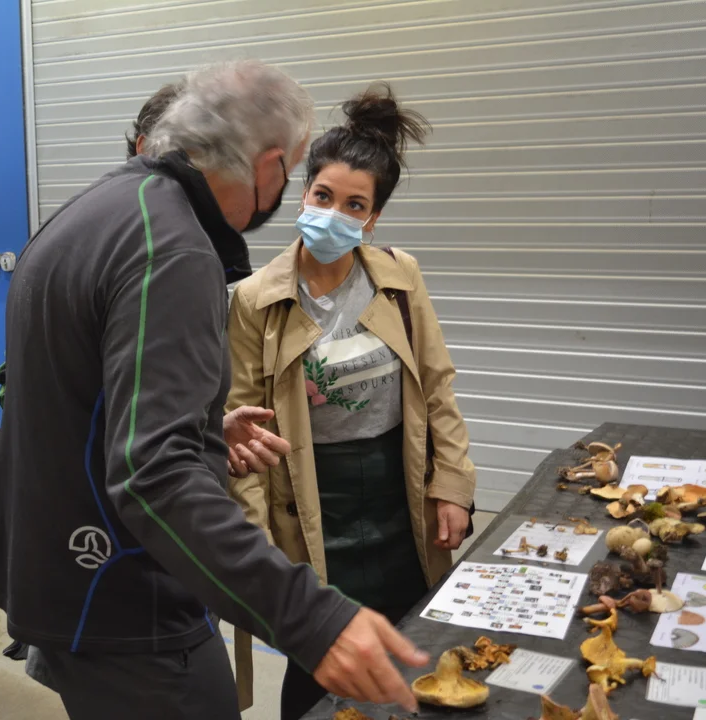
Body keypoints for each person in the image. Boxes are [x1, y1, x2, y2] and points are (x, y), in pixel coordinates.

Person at [0, 61, 430, 720]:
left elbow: (80, 402)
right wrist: (311, 619)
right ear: (268, 164)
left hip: (61, 578)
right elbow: (153, 475)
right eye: (290, 174)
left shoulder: (99, 209)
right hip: (129, 601)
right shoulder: (174, 249)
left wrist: (204, 430)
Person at [225, 84, 478, 719]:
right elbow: (245, 440)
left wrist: (452, 484)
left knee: (411, 648)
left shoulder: (398, 276)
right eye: (323, 196)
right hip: (311, 501)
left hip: (399, 489)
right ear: (303, 194)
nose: (334, 213)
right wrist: (256, 546)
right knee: (322, 657)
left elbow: (437, 385)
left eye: (354, 204)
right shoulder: (255, 300)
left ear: (373, 217)